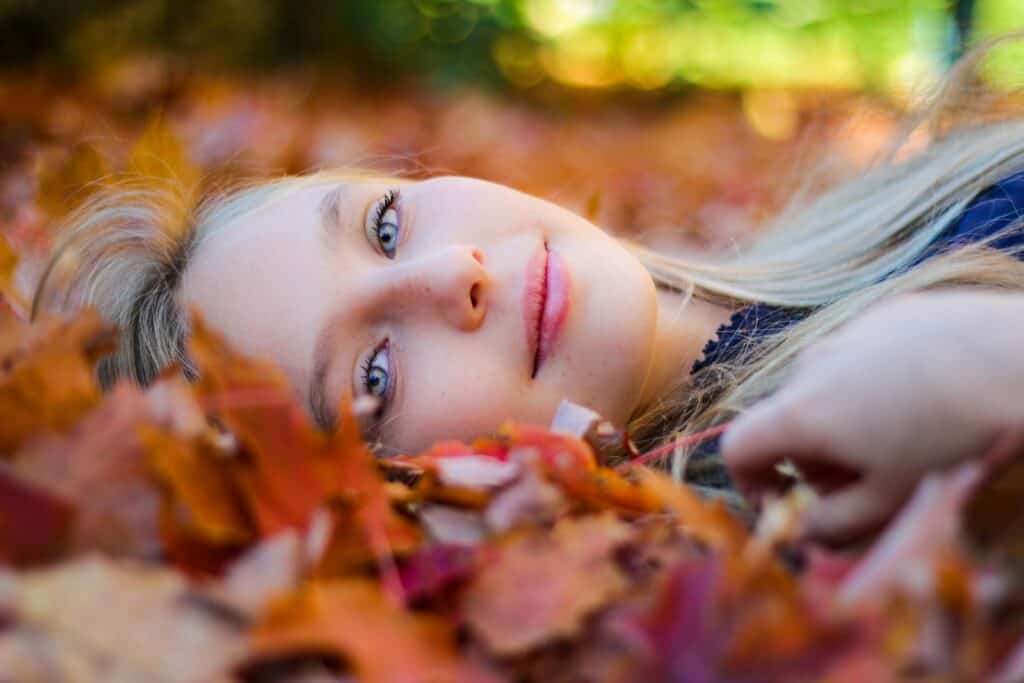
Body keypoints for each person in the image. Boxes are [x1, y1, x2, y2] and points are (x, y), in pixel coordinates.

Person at [33, 45, 1024, 546]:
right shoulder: (814, 496)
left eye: (384, 223)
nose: (448, 275)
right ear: (415, 492)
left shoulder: (900, 198)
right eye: (374, 371)